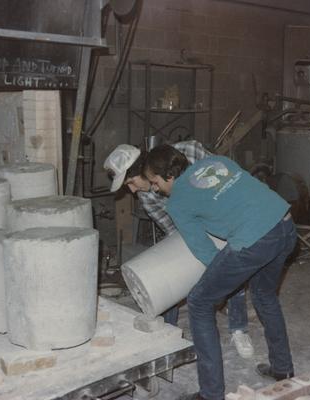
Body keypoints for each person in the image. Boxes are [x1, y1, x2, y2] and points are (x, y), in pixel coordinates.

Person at [144, 145, 297, 400]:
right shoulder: (216, 162)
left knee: (199, 302)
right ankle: (283, 369)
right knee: (264, 295)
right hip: (285, 225)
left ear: (169, 176)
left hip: (256, 240)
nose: (154, 189)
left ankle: (211, 394)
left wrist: (224, 281)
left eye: (155, 182)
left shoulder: (178, 202)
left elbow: (204, 250)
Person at [104, 140, 255, 359]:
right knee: (169, 274)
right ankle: (166, 330)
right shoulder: (147, 197)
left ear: (142, 169)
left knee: (233, 265)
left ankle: (239, 328)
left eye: (131, 182)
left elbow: (227, 176)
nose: (132, 190)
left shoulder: (189, 152)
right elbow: (173, 231)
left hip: (223, 216)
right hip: (193, 229)